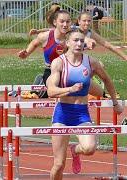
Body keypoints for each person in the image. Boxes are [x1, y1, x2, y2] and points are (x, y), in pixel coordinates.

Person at [46, 29, 123, 179]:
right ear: (67, 43)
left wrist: (115, 103)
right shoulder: (59, 63)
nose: (79, 43)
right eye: (75, 40)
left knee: (89, 148)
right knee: (59, 164)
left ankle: (76, 150)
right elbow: (51, 91)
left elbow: (107, 80)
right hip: (62, 113)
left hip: (81, 113)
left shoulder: (91, 62)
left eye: (82, 41)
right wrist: (70, 89)